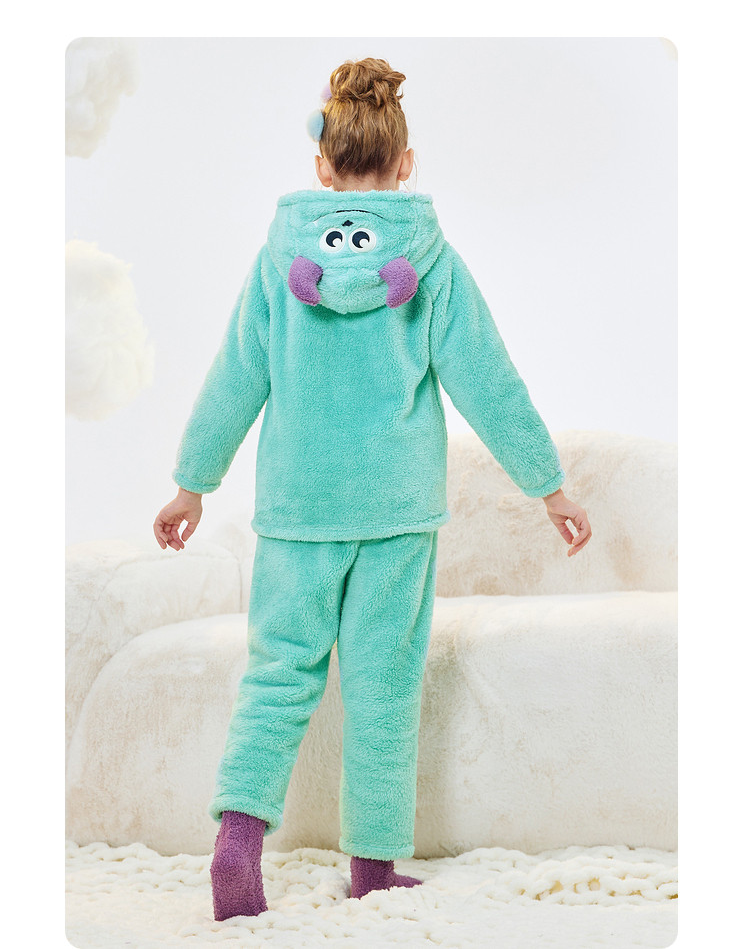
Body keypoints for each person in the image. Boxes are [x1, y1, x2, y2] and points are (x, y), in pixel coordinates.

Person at [153, 57, 592, 920]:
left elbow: (235, 376)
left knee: (278, 676)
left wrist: (192, 483)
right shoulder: (432, 261)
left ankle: (239, 839)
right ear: (406, 163)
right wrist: (549, 485)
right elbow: (489, 382)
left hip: (297, 511)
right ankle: (372, 868)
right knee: (384, 686)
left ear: (322, 165)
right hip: (395, 511)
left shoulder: (278, 258)